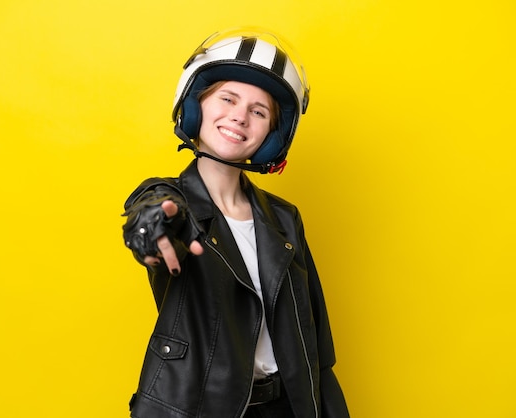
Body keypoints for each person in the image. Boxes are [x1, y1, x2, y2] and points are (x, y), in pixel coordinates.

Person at [122, 27, 350, 418]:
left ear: (272, 136)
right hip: (200, 408)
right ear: (196, 107)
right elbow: (152, 210)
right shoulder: (169, 203)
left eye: (258, 111)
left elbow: (315, 344)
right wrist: (151, 227)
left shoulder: (284, 217)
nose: (239, 116)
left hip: (285, 407)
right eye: (228, 98)